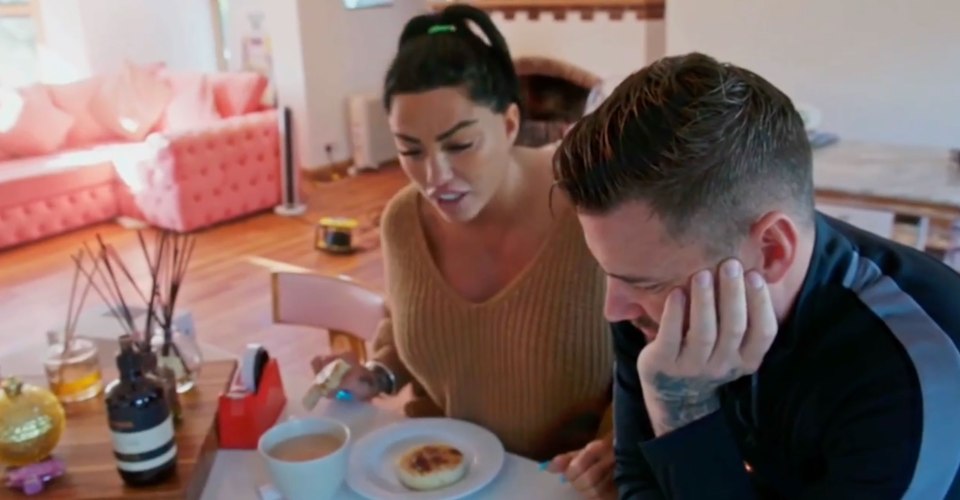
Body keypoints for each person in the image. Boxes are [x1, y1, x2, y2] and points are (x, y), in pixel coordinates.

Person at [552, 52, 960, 499]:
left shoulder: (912, 377)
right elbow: (638, 483)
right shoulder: (649, 299)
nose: (614, 307)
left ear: (771, 250)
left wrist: (683, 411)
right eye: (612, 275)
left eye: (645, 283)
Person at [311, 5, 617, 497]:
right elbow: (412, 323)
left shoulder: (594, 212)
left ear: (510, 123)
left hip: (561, 486)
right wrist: (380, 372)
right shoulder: (403, 221)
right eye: (410, 150)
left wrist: (618, 442)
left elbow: (651, 361)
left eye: (460, 144)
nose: (435, 177)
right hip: (437, 476)